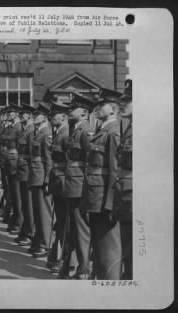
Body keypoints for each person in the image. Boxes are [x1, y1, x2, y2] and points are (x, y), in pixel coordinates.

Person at [80, 88, 123, 280]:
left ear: (113, 108)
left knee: (109, 248)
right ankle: (99, 283)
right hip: (94, 195)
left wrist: (111, 203)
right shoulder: (102, 130)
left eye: (101, 105)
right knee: (98, 245)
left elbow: (115, 171)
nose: (96, 107)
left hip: (104, 196)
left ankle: (112, 288)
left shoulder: (113, 133)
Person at [57, 93, 95, 279]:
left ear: (84, 112)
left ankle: (84, 269)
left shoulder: (87, 131)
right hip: (73, 185)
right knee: (73, 230)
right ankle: (78, 266)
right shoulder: (76, 130)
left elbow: (91, 162)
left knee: (81, 231)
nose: (69, 111)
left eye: (73, 108)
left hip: (80, 187)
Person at [27, 101, 54, 258]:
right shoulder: (37, 132)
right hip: (35, 174)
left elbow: (48, 159)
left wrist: (47, 180)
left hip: (42, 175)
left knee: (44, 212)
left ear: (44, 117)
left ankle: (46, 244)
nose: (34, 117)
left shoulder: (46, 133)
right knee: (37, 211)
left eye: (37, 115)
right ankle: (39, 240)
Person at [47, 100, 70, 273]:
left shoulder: (66, 134)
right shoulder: (59, 133)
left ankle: (64, 260)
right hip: (57, 182)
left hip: (65, 184)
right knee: (60, 223)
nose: (51, 117)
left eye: (54, 114)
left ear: (63, 116)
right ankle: (57, 257)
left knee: (65, 225)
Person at [113, 79, 133, 279]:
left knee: (134, 251)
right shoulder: (130, 127)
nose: (122, 104)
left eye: (128, 100)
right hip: (125, 193)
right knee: (127, 247)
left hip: (134, 196)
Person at [14, 104, 35, 246]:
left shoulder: (31, 130)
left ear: (30, 116)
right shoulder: (24, 130)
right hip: (22, 169)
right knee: (24, 203)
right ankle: (26, 230)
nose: (22, 116)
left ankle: (30, 233)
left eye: (25, 114)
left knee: (29, 204)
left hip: (28, 170)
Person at [4, 104, 23, 233]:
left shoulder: (19, 127)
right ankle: (15, 219)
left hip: (15, 161)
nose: (8, 115)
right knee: (12, 194)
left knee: (17, 195)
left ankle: (19, 222)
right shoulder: (10, 127)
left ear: (16, 114)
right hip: (9, 161)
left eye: (11, 113)